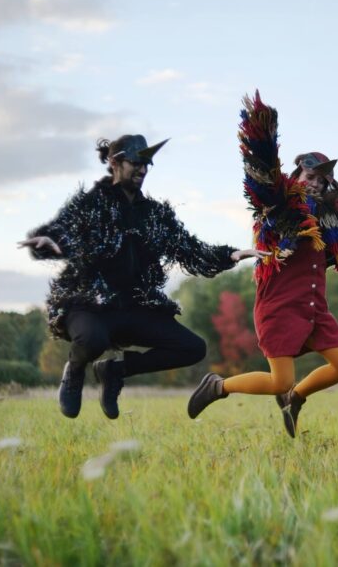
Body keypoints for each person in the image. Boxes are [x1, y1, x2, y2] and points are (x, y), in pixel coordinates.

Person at [187, 91, 338, 437]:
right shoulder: (280, 205)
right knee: (279, 379)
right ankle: (217, 386)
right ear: (297, 175)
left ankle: (295, 400)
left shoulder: (330, 214)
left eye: (321, 178)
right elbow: (264, 178)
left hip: (314, 309)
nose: (314, 182)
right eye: (308, 175)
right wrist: (261, 133)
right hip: (280, 308)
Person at [18, 135, 265, 420]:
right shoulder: (90, 204)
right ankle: (74, 370)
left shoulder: (155, 215)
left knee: (192, 348)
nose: (142, 170)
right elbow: (59, 232)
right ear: (114, 163)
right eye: (135, 162)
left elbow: (189, 248)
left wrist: (232, 254)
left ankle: (114, 371)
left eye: (146, 164)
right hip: (89, 304)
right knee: (92, 340)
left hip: (135, 307)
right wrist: (47, 243)